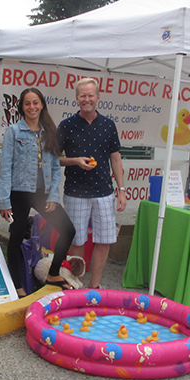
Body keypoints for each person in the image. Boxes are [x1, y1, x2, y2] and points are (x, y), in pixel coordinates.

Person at [0, 87, 76, 294]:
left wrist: (54, 196)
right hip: (19, 193)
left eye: (35, 103)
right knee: (16, 236)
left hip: (43, 193)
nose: (32, 107)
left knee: (68, 230)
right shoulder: (14, 132)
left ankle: (53, 273)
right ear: (22, 107)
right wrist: (4, 201)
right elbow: (5, 167)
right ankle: (17, 286)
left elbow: (55, 166)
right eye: (27, 103)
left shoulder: (50, 132)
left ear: (42, 105)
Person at [58, 77, 127, 289]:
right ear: (77, 98)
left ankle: (95, 286)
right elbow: (55, 158)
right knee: (77, 241)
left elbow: (115, 159)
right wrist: (75, 161)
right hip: (75, 192)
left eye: (90, 95)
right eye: (82, 95)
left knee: (104, 240)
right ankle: (77, 284)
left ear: (98, 97)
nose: (87, 99)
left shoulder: (108, 125)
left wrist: (121, 190)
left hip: (104, 192)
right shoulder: (66, 125)